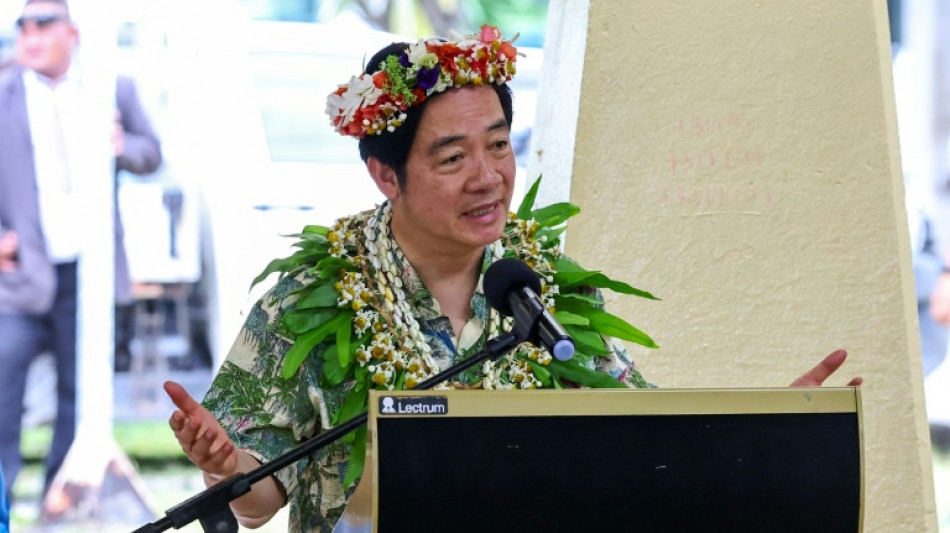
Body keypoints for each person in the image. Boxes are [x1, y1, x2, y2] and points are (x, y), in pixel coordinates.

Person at [162, 26, 861, 533]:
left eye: (498, 145)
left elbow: (643, 445)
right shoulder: (308, 300)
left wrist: (767, 429)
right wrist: (226, 467)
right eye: (452, 157)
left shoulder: (543, 289)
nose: (488, 176)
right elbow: (257, 500)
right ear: (385, 174)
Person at [0, 0, 162, 503]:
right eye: (23, 25)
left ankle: (59, 499)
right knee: (4, 391)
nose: (30, 35)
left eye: (43, 23)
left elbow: (150, 154)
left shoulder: (111, 86)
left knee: (81, 393)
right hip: (20, 272)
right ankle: (1, 497)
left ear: (72, 33)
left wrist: (120, 146)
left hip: (87, 272)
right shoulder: (3, 91)